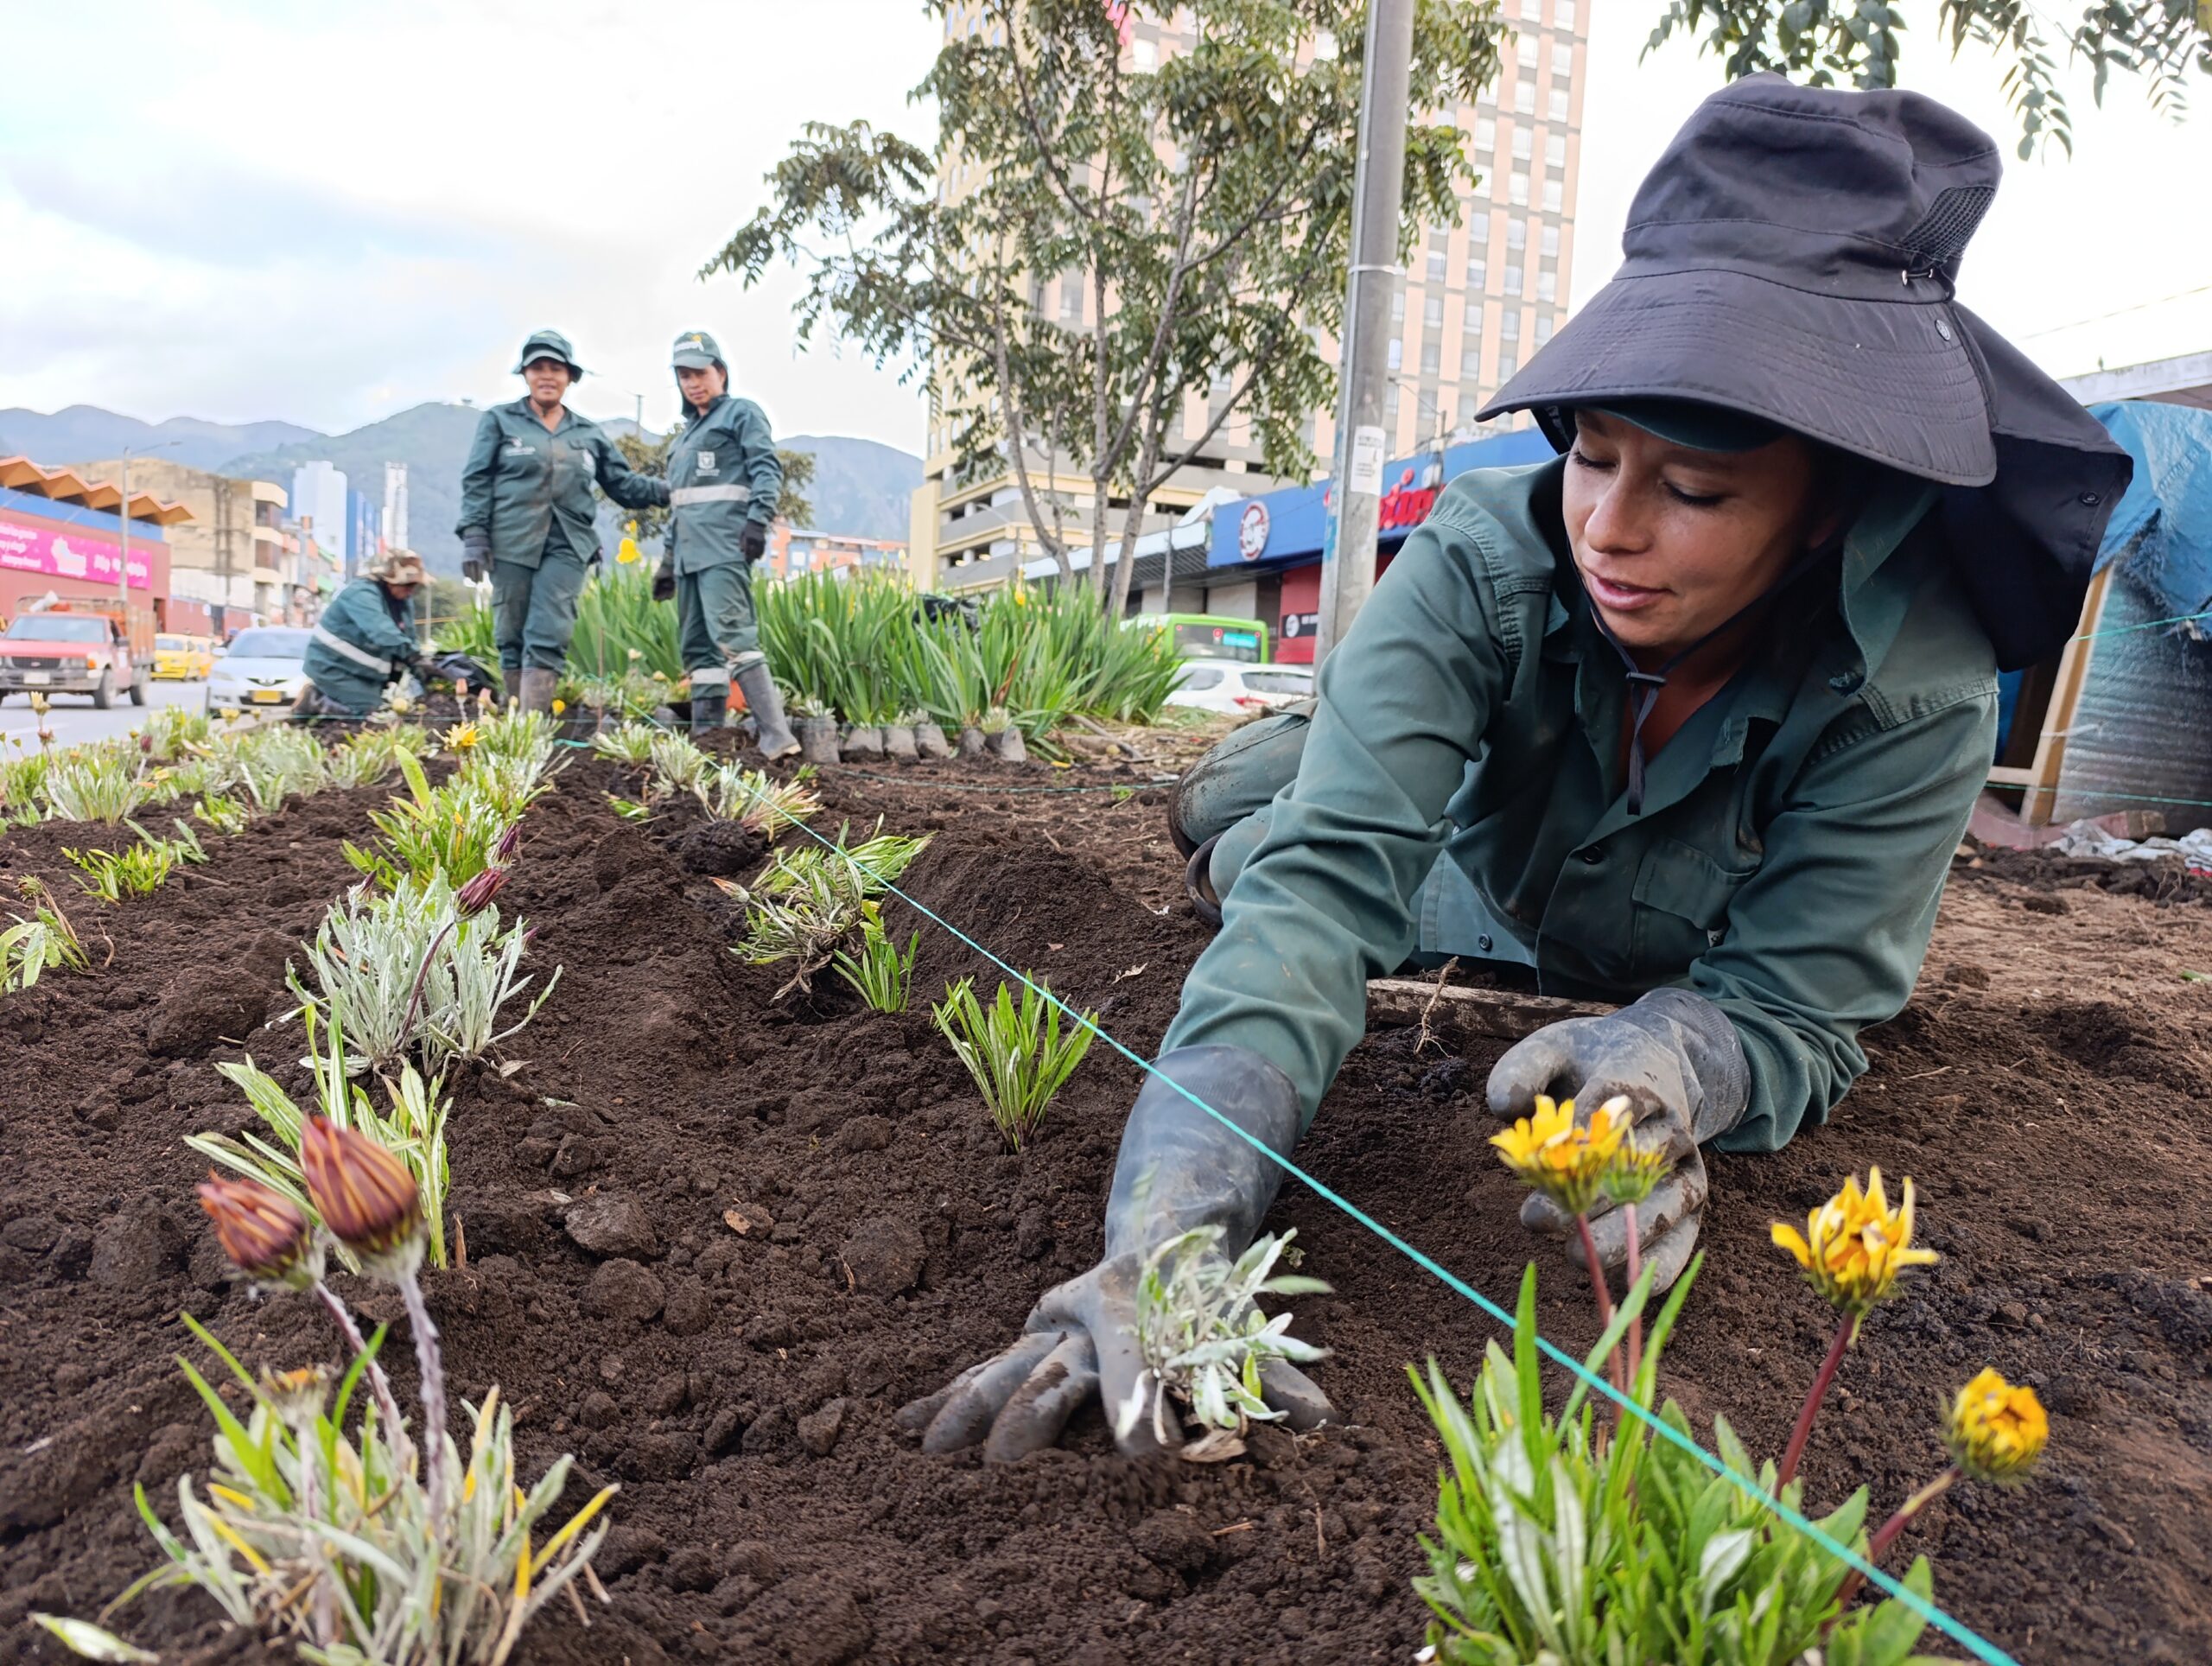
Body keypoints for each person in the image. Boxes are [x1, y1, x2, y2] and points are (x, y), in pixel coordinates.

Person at [899, 77, 2129, 1462]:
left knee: (1477, 921)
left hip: (1623, 928)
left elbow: (1803, 1003)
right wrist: (1172, 1233)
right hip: (1477, 860)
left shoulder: (1920, 683)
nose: (1610, 527)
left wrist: (1679, 1056)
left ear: (1835, 497)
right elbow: (1323, 900)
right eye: (1591, 456)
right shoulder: (1489, 553)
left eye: (1696, 492)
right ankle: (1262, 772)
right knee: (1261, 844)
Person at [455, 329, 669, 712]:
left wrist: (669, 491)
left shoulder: (587, 433)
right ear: (525, 375)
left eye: (556, 368)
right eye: (538, 368)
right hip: (510, 541)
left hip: (568, 543)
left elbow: (622, 484)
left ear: (570, 376)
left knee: (548, 630)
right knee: (511, 631)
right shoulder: (500, 421)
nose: (547, 376)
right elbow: (477, 479)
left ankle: (531, 725)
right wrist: (474, 534)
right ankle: (515, 718)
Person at [655, 329, 798, 753]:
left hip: (723, 548)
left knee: (734, 637)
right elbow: (679, 507)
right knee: (699, 651)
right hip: (688, 558)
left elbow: (766, 469)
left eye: (700, 373)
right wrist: (666, 561)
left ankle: (777, 734)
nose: (693, 383)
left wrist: (758, 521)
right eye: (684, 376)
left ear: (720, 372)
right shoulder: (683, 440)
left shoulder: (741, 414)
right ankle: (707, 738)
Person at [298, 550, 435, 721]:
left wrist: (423, 667)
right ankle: (316, 702)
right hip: (333, 667)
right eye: (407, 585)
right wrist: (414, 657)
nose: (411, 591)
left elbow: (408, 636)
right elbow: (382, 631)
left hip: (365, 674)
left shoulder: (402, 602)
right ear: (390, 580)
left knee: (381, 711)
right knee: (368, 714)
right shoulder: (361, 594)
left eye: (414, 586)